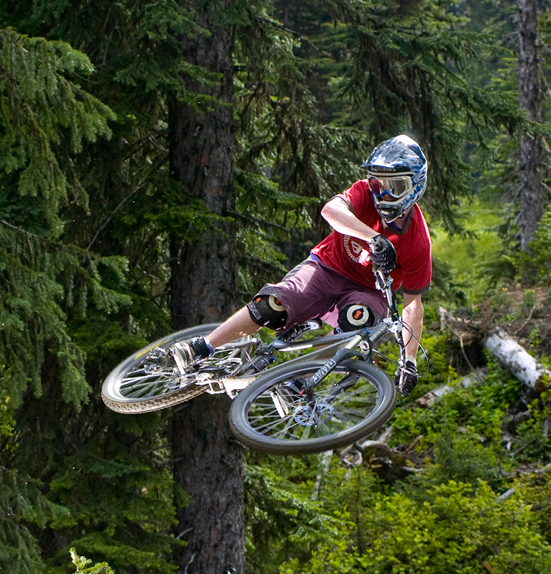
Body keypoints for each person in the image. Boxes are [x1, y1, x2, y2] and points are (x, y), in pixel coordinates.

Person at [175, 134, 431, 396]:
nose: (383, 193)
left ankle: (299, 382)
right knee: (271, 306)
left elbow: (413, 306)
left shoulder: (417, 242)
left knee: (359, 322)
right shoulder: (364, 193)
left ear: (414, 186)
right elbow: (331, 212)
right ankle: (202, 346)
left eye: (395, 187)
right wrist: (374, 238)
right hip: (326, 267)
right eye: (378, 183)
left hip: (369, 291)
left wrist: (408, 361)